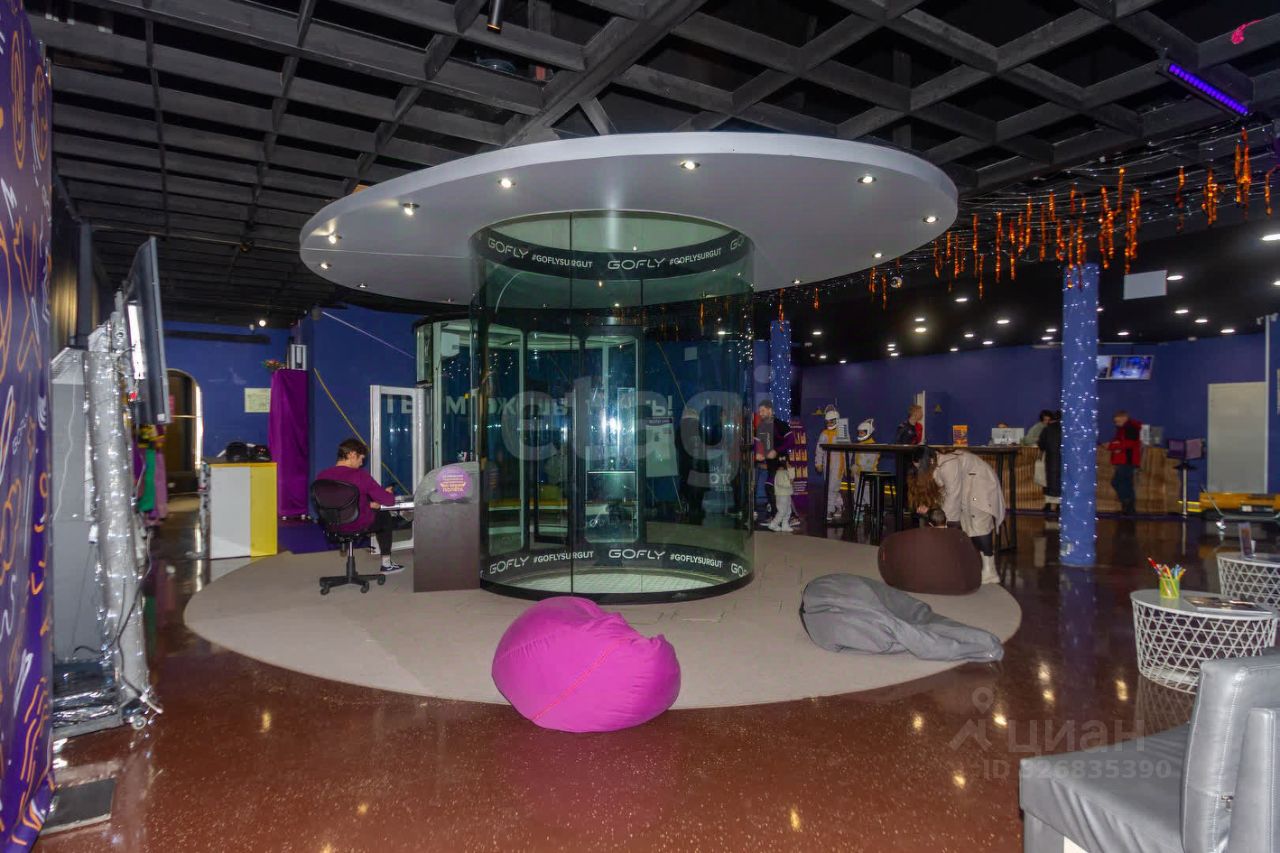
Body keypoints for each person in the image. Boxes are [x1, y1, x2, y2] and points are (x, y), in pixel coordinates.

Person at [907, 446, 1006, 584]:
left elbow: (953, 495)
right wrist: (932, 509)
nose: (919, 470)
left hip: (980, 484)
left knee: (979, 525)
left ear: (928, 461)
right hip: (969, 484)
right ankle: (987, 569)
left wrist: (944, 523)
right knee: (970, 527)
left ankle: (990, 571)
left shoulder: (948, 464)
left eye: (920, 466)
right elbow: (944, 492)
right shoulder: (936, 462)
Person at [314, 438, 405, 574]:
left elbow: (338, 501)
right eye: (361, 458)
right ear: (352, 454)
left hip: (331, 524)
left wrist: (368, 504)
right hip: (356, 524)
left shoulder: (322, 476)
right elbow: (388, 501)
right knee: (384, 516)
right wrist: (387, 494)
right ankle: (386, 563)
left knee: (372, 508)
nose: (362, 463)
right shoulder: (360, 476)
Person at [754, 399, 795, 531]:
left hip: (781, 464)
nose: (761, 413)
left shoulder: (780, 424)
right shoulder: (761, 427)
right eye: (759, 411)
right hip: (771, 465)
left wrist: (776, 451)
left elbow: (791, 441)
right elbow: (758, 443)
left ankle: (783, 518)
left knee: (777, 490)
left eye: (763, 410)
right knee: (773, 489)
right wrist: (758, 454)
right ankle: (780, 518)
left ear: (770, 410)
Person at [813, 406, 847, 520]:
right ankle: (839, 505)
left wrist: (846, 467)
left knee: (832, 488)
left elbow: (848, 451)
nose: (829, 423)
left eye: (831, 421)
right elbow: (819, 450)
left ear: (837, 420)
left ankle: (829, 510)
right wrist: (818, 463)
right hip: (827, 465)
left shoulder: (842, 431)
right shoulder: (824, 433)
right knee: (831, 487)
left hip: (838, 465)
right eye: (827, 422)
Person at [1107, 410, 1143, 516]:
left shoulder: (1130, 428)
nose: (1116, 423)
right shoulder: (1127, 428)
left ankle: (1127, 504)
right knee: (1126, 483)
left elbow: (1129, 444)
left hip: (1127, 460)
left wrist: (1114, 446)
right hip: (1127, 460)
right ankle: (1128, 508)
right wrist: (1115, 445)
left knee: (1118, 482)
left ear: (1124, 418)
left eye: (1117, 421)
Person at [1038, 410, 1062, 515]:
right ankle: (1060, 505)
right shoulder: (1067, 430)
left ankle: (1048, 505)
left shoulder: (1047, 429)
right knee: (1061, 481)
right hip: (1064, 461)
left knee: (1048, 481)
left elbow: (1041, 444)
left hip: (1050, 459)